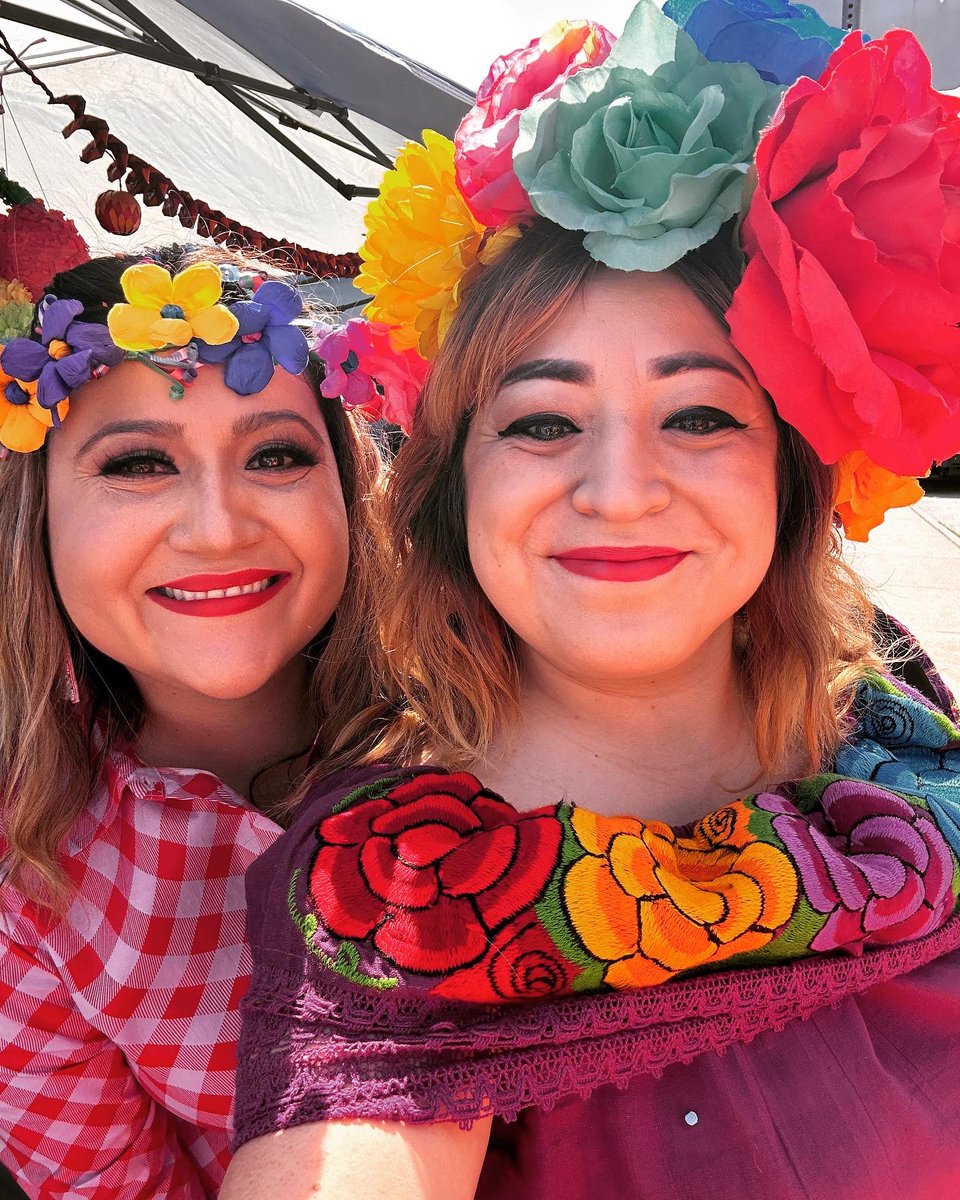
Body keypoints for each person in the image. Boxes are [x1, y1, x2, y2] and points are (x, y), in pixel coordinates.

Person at [223, 2, 960, 1197]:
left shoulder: (897, 715)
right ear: (451, 488)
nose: (620, 493)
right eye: (545, 422)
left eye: (702, 415)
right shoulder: (395, 896)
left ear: (792, 470)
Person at [0, 249, 386, 1198]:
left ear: (349, 485)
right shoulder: (23, 902)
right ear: (37, 518)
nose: (217, 528)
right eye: (138, 463)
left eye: (277, 455)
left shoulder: (508, 720)